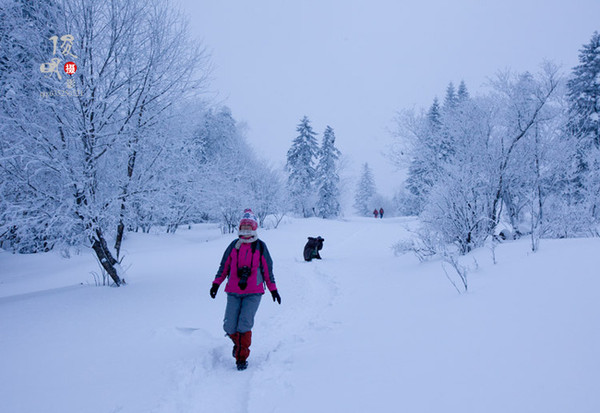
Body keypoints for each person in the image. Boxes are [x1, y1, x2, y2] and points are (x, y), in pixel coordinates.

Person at [209, 208, 281, 370]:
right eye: (243, 228)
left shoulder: (261, 247)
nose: (246, 231)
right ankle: (239, 344)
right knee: (229, 326)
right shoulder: (233, 246)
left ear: (254, 228)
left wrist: (273, 289)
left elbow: (268, 271)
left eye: (249, 228)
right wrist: (216, 284)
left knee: (244, 325)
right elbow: (224, 267)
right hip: (233, 291)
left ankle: (241, 357)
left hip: (253, 293)